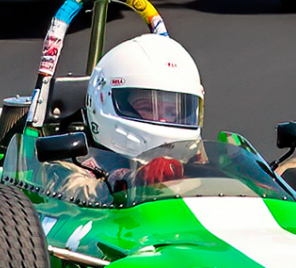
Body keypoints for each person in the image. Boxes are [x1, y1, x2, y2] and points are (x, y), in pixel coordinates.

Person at [49, 32, 205, 201]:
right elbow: (73, 191)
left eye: (173, 113)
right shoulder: (75, 161)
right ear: (103, 100)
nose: (163, 120)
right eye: (147, 107)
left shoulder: (193, 156)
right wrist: (134, 182)